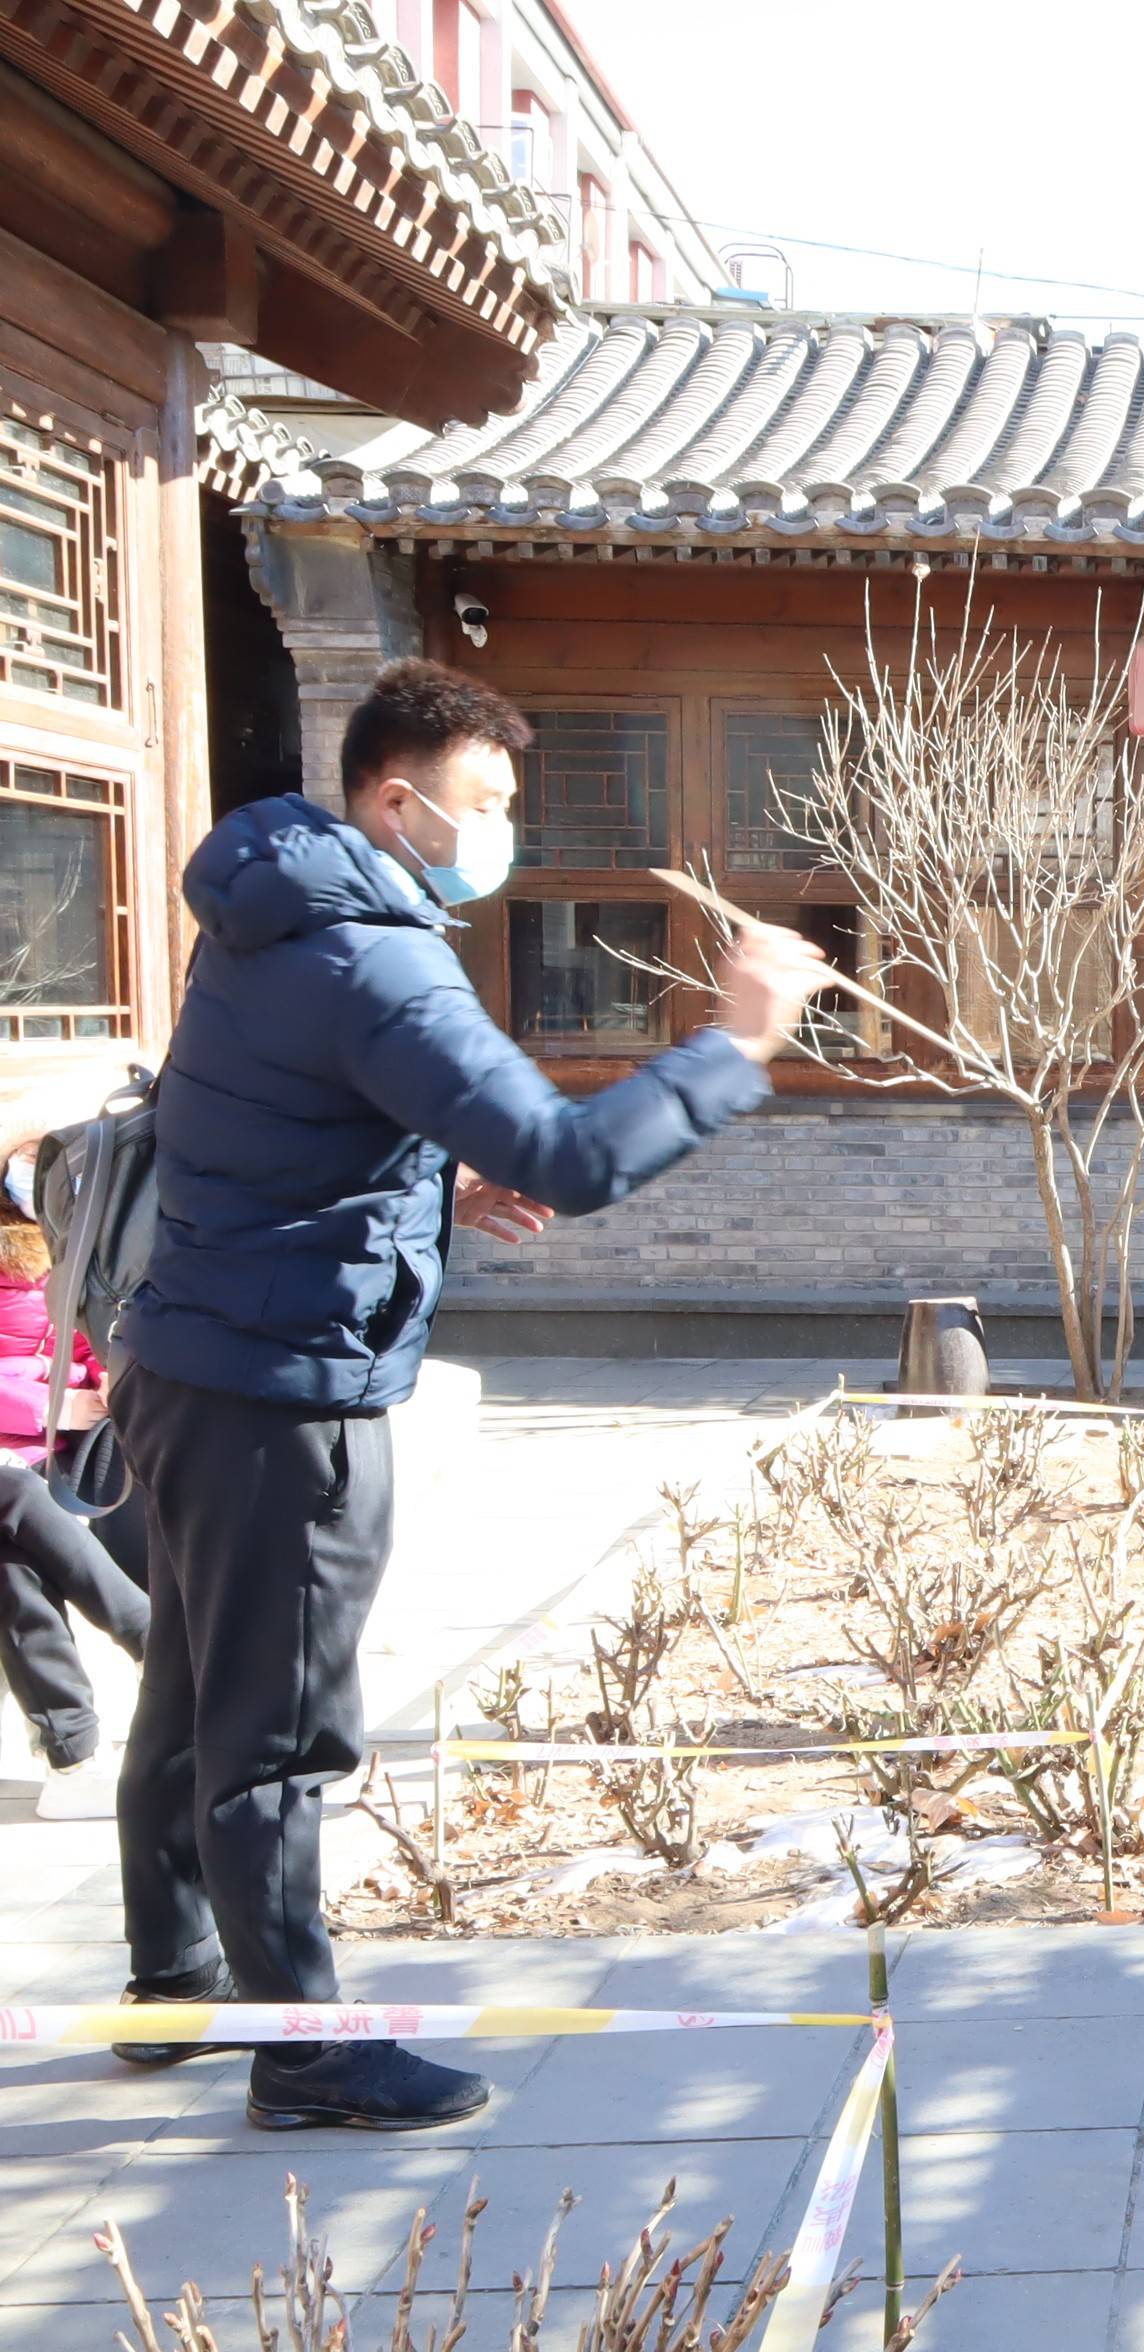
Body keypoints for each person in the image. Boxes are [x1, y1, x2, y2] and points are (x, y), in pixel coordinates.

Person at [111, 658, 830, 2131]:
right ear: (397, 797)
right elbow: (576, 1162)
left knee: (191, 1699)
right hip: (284, 1393)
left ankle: (173, 1980)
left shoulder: (268, 906)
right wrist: (740, 1038)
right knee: (281, 1733)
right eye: (487, 804)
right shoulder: (376, 952)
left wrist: (433, 1169)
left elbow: (271, 1121)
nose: (498, 834)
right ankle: (305, 2052)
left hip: (190, 1362)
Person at [0, 1216, 144, 1782]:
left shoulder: (68, 1248)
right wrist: (51, 1398)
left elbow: (85, 1340)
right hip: (25, 1454)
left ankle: (71, 1755)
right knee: (15, 1495)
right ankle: (148, 1633)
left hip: (41, 1457)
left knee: (11, 1558)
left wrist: (102, 1375)